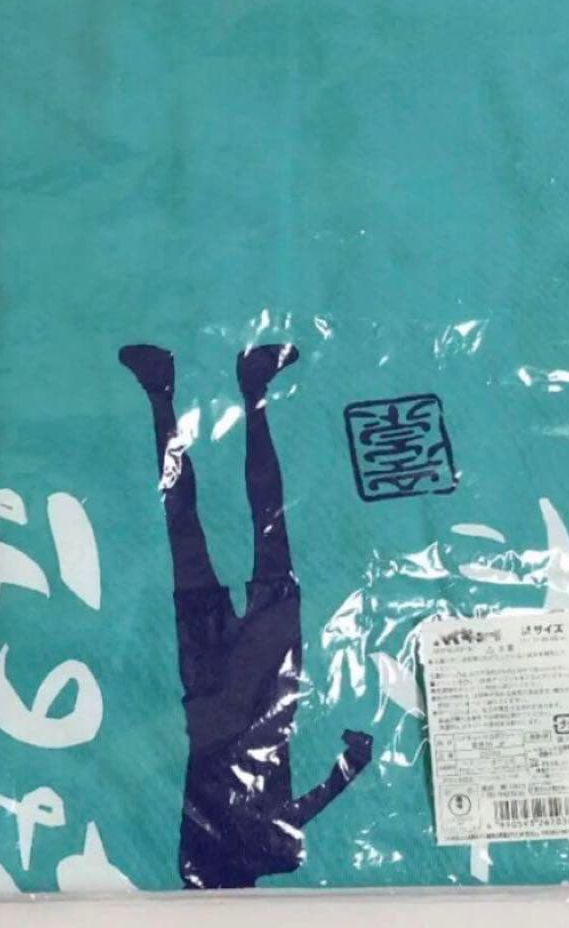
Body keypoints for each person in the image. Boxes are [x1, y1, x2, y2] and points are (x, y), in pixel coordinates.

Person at [120, 342, 373, 889]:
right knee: (199, 530)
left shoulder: (250, 861)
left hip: (244, 687)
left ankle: (216, 393)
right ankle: (181, 393)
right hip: (226, 688)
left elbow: (298, 811)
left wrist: (350, 766)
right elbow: (291, 813)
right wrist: (347, 768)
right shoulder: (217, 864)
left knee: (252, 527)